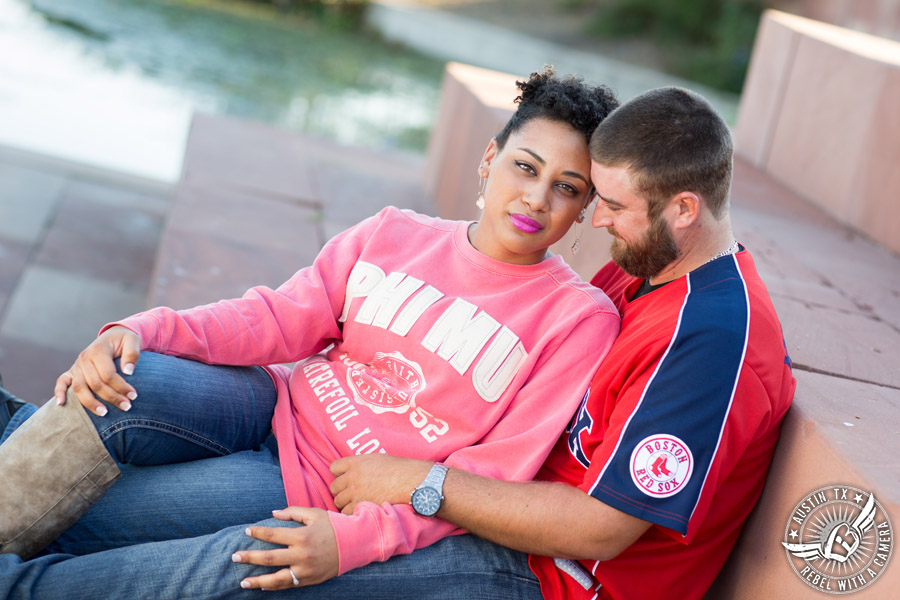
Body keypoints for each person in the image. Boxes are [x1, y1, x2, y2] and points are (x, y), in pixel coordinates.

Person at [0, 68, 622, 597]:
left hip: (317, 482)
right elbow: (278, 317)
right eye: (525, 166)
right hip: (273, 404)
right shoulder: (394, 232)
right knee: (131, 375)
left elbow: (491, 476)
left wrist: (363, 538)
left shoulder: (576, 318)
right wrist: (142, 327)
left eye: (566, 188)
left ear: (583, 209)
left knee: (85, 519)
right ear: (490, 158)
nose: (537, 198)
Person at [327, 86, 797, 599]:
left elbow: (603, 529)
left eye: (614, 204)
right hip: (500, 512)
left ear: (684, 209)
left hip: (555, 579)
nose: (597, 219)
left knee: (260, 565)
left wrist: (421, 482)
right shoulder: (648, 267)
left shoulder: (709, 342)